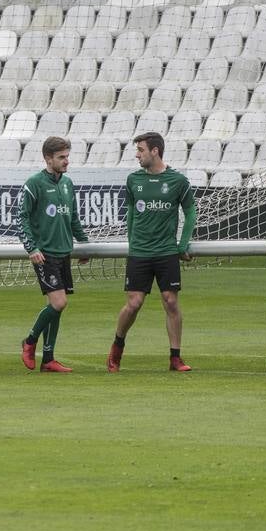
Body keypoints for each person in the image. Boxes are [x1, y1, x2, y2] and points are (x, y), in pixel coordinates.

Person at [107, 132, 197, 373]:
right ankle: (117, 346)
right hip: (140, 252)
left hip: (166, 252)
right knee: (134, 303)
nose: (137, 154)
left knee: (171, 302)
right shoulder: (133, 180)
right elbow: (131, 216)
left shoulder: (178, 181)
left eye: (141, 150)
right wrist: (132, 243)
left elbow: (190, 213)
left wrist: (182, 244)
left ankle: (175, 357)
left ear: (155, 151)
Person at [17, 136, 89, 374]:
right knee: (59, 302)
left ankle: (48, 358)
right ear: (48, 158)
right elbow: (22, 219)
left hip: (63, 252)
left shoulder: (68, 184)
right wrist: (32, 248)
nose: (66, 161)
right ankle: (29, 341)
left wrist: (84, 244)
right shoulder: (34, 184)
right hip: (45, 255)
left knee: (55, 307)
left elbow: (74, 218)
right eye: (61, 157)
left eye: (67, 156)